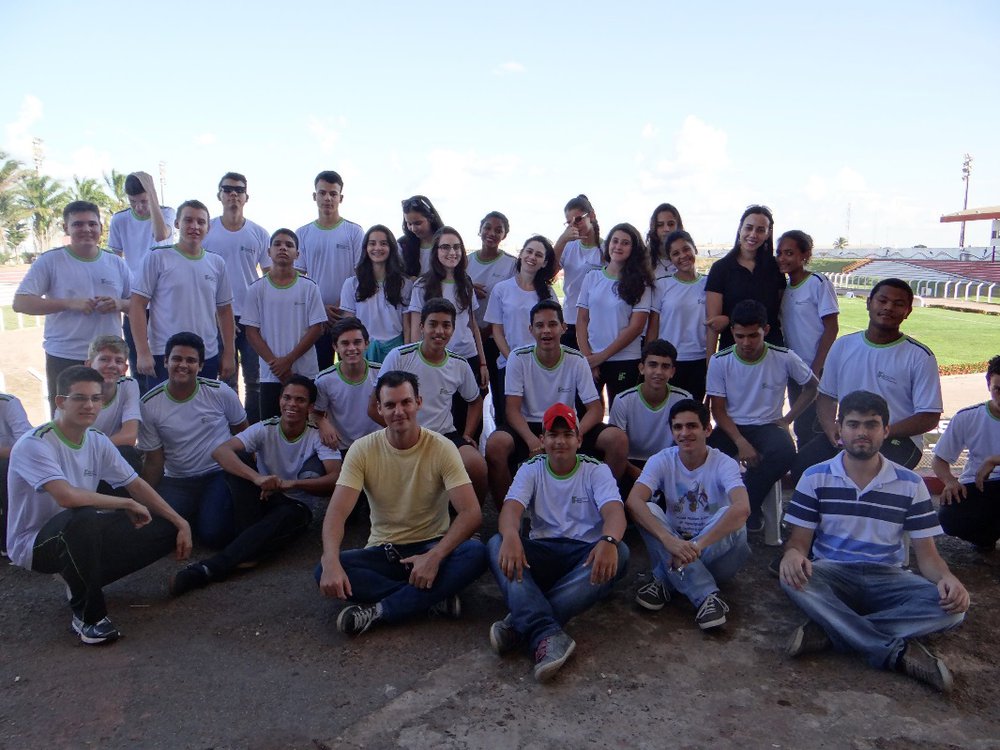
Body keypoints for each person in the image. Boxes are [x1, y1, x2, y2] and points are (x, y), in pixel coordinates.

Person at [779, 390, 969, 692]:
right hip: (832, 573)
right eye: (853, 424)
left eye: (871, 424)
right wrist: (792, 556)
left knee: (954, 607)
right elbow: (799, 544)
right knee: (792, 578)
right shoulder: (815, 477)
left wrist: (947, 578)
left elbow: (928, 557)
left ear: (886, 431)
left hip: (888, 577)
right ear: (840, 430)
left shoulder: (910, 484)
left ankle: (831, 630)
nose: (862, 433)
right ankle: (896, 652)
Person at [6, 366, 191, 645]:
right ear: (60, 402)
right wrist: (125, 503)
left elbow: (135, 484)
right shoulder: (35, 444)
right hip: (34, 543)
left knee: (163, 526)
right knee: (82, 516)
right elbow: (67, 497)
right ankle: (88, 618)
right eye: (80, 398)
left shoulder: (96, 439)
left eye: (95, 398)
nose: (90, 405)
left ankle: (81, 580)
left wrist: (180, 521)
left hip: (79, 531)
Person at [316, 370, 488, 636]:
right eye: (390, 405)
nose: (399, 411)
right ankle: (430, 598)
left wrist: (434, 556)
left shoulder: (442, 447)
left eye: (405, 402)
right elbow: (337, 513)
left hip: (432, 546)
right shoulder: (362, 450)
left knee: (477, 554)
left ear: (419, 402)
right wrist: (329, 560)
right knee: (323, 569)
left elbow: (471, 513)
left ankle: (381, 610)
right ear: (379, 408)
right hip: (385, 550)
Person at [488, 402, 629, 682]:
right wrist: (513, 535)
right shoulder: (531, 468)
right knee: (496, 542)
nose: (560, 441)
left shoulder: (596, 470)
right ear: (542, 440)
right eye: (553, 435)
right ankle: (546, 633)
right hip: (543, 552)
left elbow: (615, 512)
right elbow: (511, 510)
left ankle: (520, 623)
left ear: (579, 439)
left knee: (621, 552)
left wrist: (609, 540)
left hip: (584, 556)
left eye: (567, 435)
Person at [170, 376, 341, 595]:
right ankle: (249, 548)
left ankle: (206, 569)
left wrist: (292, 484)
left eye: (299, 400)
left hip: (296, 505)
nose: (291, 404)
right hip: (262, 495)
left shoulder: (318, 435)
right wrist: (257, 478)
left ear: (309, 407)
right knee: (238, 460)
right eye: (287, 398)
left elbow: (336, 477)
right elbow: (220, 452)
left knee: (286, 516)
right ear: (279, 400)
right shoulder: (265, 428)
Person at [792, 278, 942, 481]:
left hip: (897, 439)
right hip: (848, 434)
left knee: (863, 477)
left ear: (907, 312)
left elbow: (929, 416)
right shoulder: (843, 346)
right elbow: (826, 396)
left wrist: (880, 431)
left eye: (898, 304)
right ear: (869, 303)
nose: (888, 307)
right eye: (882, 300)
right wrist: (830, 427)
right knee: (804, 468)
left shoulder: (920, 356)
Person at [485, 299, 630, 508]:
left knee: (618, 440)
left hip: (566, 424)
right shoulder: (518, 357)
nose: (546, 331)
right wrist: (533, 441)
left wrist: (576, 432)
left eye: (552, 324)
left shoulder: (576, 359)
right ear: (531, 330)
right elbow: (512, 410)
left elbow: (596, 410)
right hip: (529, 425)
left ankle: (600, 506)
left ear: (563, 328)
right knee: (495, 444)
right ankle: (509, 514)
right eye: (540, 325)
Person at [625, 399, 750, 628]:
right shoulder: (661, 460)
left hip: (714, 552)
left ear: (707, 429)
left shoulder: (724, 463)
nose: (684, 433)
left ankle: (664, 579)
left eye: (692, 426)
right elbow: (633, 501)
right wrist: (668, 541)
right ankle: (707, 596)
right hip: (673, 545)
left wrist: (695, 547)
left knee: (731, 514)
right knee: (648, 509)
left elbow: (743, 508)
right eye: (677, 427)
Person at [706, 300, 817, 531]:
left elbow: (812, 387)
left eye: (753, 336)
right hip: (732, 426)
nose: (746, 342)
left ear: (765, 331)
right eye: (739, 336)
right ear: (732, 332)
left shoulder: (783, 356)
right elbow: (718, 409)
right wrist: (740, 442)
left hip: (768, 425)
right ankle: (713, 512)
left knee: (785, 452)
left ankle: (747, 507)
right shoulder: (720, 360)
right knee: (705, 455)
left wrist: (788, 419)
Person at [14, 200, 131, 414]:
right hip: (65, 356)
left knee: (107, 419)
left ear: (100, 228)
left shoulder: (116, 264)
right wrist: (68, 303)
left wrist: (119, 303)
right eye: (78, 224)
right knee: (65, 421)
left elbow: (137, 305)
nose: (86, 229)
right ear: (66, 228)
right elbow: (21, 302)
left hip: (107, 358)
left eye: (92, 224)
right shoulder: (51, 261)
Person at [138, 332, 248, 548]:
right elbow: (154, 460)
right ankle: (199, 513)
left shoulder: (220, 392)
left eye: (191, 360)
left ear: (200, 366)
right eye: (177, 359)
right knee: (156, 531)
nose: (183, 365)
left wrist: (249, 477)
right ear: (165, 361)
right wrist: (142, 500)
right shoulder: (149, 404)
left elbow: (243, 434)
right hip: (177, 481)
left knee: (214, 535)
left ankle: (210, 511)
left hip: (217, 474)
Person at [382, 298, 487, 504]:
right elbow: (374, 405)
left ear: (453, 329)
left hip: (445, 435)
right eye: (433, 324)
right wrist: (397, 430)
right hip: (405, 434)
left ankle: (470, 521)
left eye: (446, 325)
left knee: (477, 466)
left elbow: (475, 401)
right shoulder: (400, 357)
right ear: (422, 327)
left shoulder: (459, 364)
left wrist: (467, 434)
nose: (439, 331)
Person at [129, 199, 236, 389]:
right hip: (165, 355)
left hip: (206, 356)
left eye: (201, 222)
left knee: (204, 415)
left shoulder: (217, 263)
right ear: (177, 223)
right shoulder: (157, 257)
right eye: (188, 220)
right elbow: (137, 305)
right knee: (165, 415)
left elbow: (225, 311)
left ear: (208, 227)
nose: (194, 226)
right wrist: (143, 352)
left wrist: (228, 353)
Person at [203, 171, 271, 423]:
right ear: (219, 195)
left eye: (239, 190)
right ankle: (228, 430)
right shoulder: (207, 231)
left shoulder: (259, 233)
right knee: (225, 377)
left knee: (254, 379)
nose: (233, 194)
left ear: (246, 196)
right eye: (228, 189)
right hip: (215, 316)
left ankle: (252, 430)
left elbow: (269, 276)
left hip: (250, 316)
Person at [242, 228, 327, 419]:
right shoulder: (256, 289)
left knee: (306, 426)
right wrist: (275, 365)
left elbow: (317, 329)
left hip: (304, 372)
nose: (283, 248)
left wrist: (288, 361)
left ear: (297, 254)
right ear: (268, 252)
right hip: (270, 375)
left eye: (289, 245)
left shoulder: (309, 287)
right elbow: (251, 332)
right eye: (277, 244)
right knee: (271, 428)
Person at [576, 222, 654, 407]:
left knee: (621, 417)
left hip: (625, 360)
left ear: (633, 249)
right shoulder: (592, 278)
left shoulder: (641, 283)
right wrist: (589, 358)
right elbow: (582, 320)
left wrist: (601, 357)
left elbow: (636, 328)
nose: (618, 246)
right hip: (591, 359)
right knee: (586, 414)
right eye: (615, 241)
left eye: (625, 243)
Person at [295, 170, 365, 371]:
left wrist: (341, 305)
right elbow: (299, 279)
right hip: (317, 318)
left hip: (348, 315)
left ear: (340, 198)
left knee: (352, 373)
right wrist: (320, 308)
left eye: (333, 194)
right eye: (323, 192)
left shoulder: (354, 232)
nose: (328, 198)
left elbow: (360, 275)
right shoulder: (303, 233)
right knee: (320, 375)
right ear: (314, 196)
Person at [107, 171, 174, 380]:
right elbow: (115, 259)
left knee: (165, 357)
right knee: (138, 363)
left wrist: (152, 197)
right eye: (133, 202)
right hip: (135, 302)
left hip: (163, 301)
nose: (139, 207)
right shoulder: (119, 219)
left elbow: (161, 234)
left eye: (143, 201)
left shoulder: (167, 212)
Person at [484, 234, 556, 426]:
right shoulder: (501, 289)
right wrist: (512, 358)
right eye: (529, 251)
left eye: (538, 255)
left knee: (536, 418)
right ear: (521, 254)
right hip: (508, 364)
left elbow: (553, 330)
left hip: (539, 365)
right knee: (508, 420)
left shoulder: (548, 293)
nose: (532, 257)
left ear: (544, 262)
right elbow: (497, 331)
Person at [776, 230, 839, 444]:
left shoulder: (818, 283)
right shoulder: (784, 289)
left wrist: (816, 367)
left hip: (817, 368)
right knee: (803, 427)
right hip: (797, 369)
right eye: (780, 253)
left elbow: (831, 328)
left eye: (789, 253)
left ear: (805, 255)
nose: (783, 258)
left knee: (815, 427)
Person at [407, 227, 488, 392]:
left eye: (457, 247)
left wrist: (483, 362)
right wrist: (415, 363)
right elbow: (416, 329)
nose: (452, 252)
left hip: (467, 357)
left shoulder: (465, 283)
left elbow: (472, 325)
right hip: (436, 359)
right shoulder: (422, 286)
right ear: (436, 251)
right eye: (445, 247)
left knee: (469, 409)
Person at [933, 355, 1000, 551]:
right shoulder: (968, 417)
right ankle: (985, 536)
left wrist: (995, 460)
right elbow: (939, 460)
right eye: (998, 389)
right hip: (979, 485)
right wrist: (950, 481)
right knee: (950, 516)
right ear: (988, 385)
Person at [705, 204, 785, 356]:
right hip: (732, 353)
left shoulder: (775, 268)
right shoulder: (720, 269)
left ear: (768, 233)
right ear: (740, 229)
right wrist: (710, 363)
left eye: (760, 230)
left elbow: (779, 313)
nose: (753, 234)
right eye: (749, 228)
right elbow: (713, 324)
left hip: (771, 352)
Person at [610, 339, 693, 468]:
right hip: (630, 465)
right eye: (653, 365)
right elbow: (616, 449)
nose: (659, 372)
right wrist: (644, 478)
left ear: (672, 372)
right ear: (642, 368)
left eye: (665, 366)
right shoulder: (623, 400)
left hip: (668, 465)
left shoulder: (684, 399)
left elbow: (687, 445)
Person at [646, 230, 708, 401]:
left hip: (699, 360)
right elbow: (653, 326)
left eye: (686, 249)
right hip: (669, 361)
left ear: (695, 249)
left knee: (693, 413)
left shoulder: (709, 284)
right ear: (671, 259)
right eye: (675, 253)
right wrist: (649, 359)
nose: (682, 256)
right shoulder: (662, 285)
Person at [339, 225, 413, 363]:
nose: (377, 248)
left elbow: (407, 326)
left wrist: (406, 355)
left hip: (395, 352)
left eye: (383, 244)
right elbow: (348, 324)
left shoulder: (405, 284)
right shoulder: (352, 284)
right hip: (362, 351)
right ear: (365, 248)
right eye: (372, 243)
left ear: (391, 248)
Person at [469, 211, 517, 421]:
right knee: (474, 393)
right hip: (470, 339)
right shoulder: (465, 261)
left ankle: (501, 437)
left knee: (500, 393)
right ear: (480, 229)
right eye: (488, 227)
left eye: (499, 230)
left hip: (495, 339)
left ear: (504, 235)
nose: (492, 233)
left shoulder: (511, 264)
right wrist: (468, 287)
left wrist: (488, 329)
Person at [314, 317, 382, 453]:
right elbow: (316, 413)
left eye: (357, 342)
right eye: (345, 343)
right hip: (341, 448)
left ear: (366, 344)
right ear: (335, 347)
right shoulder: (324, 380)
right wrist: (322, 423)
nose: (352, 348)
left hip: (377, 446)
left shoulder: (382, 373)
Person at [84, 335, 141, 472]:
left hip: (102, 452)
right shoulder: (78, 392)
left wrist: (96, 448)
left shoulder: (129, 385)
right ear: (89, 364)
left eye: (119, 361)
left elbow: (129, 436)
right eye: (104, 359)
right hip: (80, 458)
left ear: (125, 368)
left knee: (129, 456)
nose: (112, 365)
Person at [552, 194, 603, 349]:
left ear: (592, 216)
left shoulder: (607, 249)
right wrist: (562, 240)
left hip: (598, 321)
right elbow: (549, 272)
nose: (575, 225)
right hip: (570, 320)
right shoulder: (568, 247)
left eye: (579, 219)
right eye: (569, 222)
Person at [0, 391, 32, 555]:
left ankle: (7, 539)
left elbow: (25, 444)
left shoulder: (8, 403)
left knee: (4, 469)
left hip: (12, 463)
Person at [399, 195, 444, 278]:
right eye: (409, 224)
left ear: (431, 218)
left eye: (418, 223)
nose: (413, 229)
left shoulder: (446, 241)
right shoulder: (402, 245)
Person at [645, 202, 684, 277]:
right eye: (660, 225)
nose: (666, 229)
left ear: (678, 226)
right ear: (654, 228)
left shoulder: (685, 257)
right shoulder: (644, 258)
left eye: (671, 224)